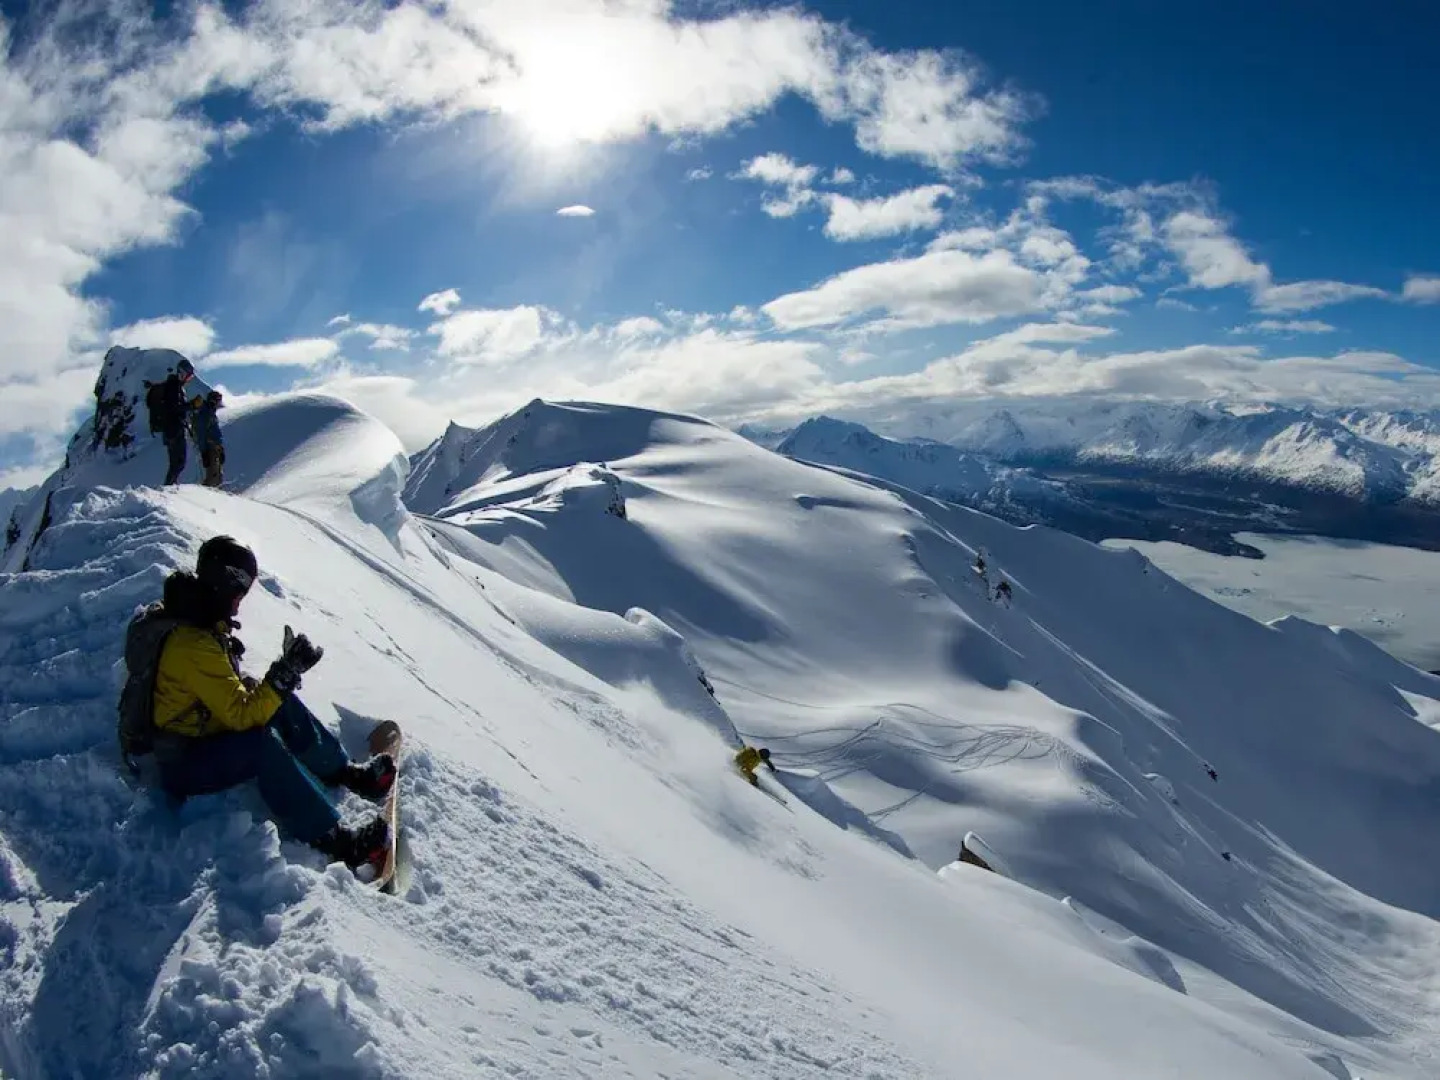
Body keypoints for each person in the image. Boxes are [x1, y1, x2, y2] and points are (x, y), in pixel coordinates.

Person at [150, 535, 396, 871]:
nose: (240, 602)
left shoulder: (202, 625)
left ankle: (343, 772)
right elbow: (240, 717)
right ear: (225, 584)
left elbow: (230, 697)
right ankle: (336, 841)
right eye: (241, 591)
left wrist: (278, 681)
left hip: (204, 733)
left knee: (273, 699)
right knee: (259, 744)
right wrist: (282, 675)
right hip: (186, 761)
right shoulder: (193, 643)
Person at [154, 358, 196, 485]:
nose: (189, 379)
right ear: (183, 373)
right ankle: (168, 488)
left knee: (177, 462)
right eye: (188, 376)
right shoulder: (174, 387)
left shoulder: (174, 386)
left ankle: (170, 486)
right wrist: (191, 405)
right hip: (174, 429)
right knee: (178, 462)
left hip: (172, 428)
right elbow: (174, 407)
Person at [190, 389, 225, 488]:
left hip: (214, 446)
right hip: (210, 447)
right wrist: (204, 451)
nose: (219, 404)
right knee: (213, 475)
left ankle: (211, 494)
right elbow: (201, 433)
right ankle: (207, 495)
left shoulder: (209, 412)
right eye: (218, 401)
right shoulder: (205, 413)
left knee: (217, 474)